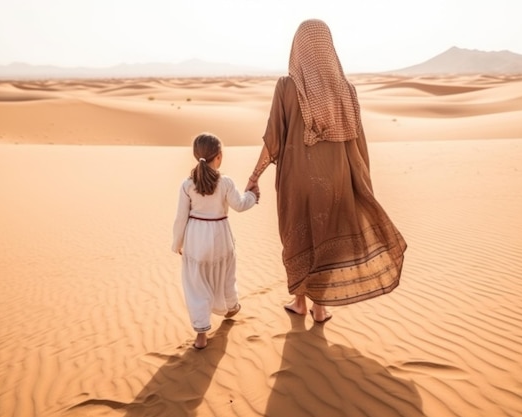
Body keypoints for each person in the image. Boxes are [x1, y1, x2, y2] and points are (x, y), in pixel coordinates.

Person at [246, 19, 407, 323]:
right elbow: (358, 144)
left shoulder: (287, 86)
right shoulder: (346, 89)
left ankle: (300, 303)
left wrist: (255, 176)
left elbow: (273, 139)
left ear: (298, 47)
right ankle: (321, 308)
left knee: (298, 237)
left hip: (296, 180)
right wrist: (362, 184)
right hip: (336, 181)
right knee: (327, 238)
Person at [173, 133, 258, 349]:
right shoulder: (226, 182)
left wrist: (178, 243)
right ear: (218, 157)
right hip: (221, 237)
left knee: (196, 284)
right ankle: (231, 307)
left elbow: (180, 218)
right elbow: (239, 205)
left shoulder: (187, 184)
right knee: (226, 275)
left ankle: (201, 334)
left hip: (196, 239)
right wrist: (253, 196)